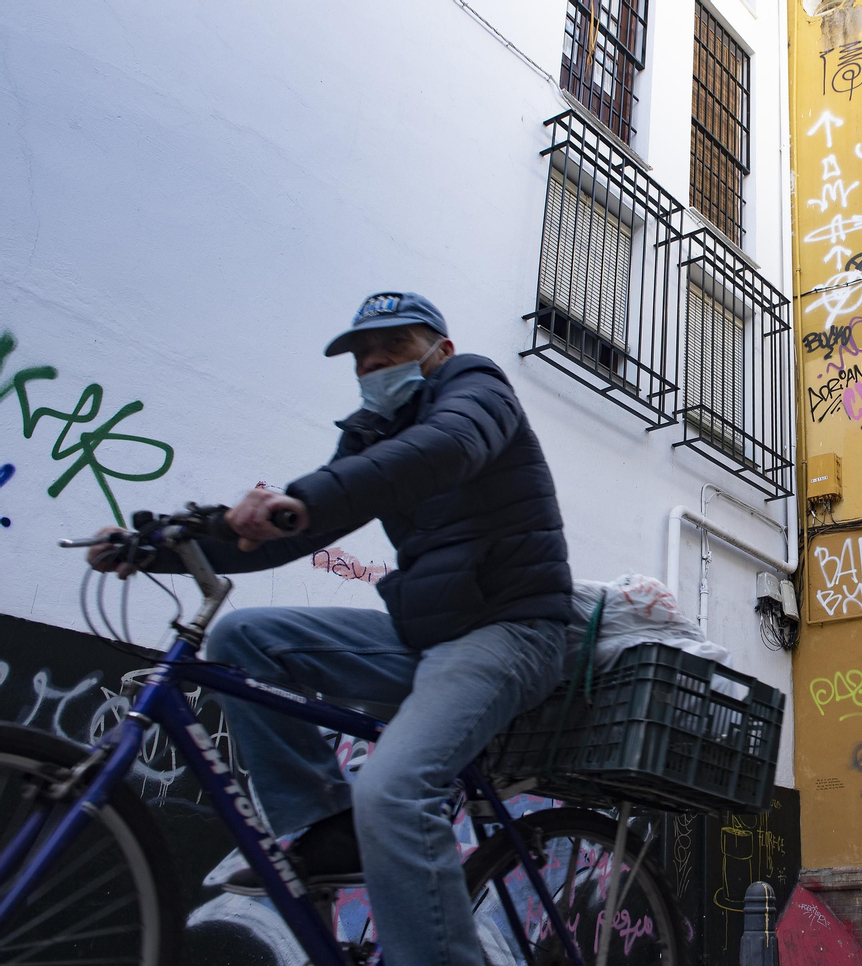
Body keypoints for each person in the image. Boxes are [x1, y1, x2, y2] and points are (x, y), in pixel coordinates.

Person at [91, 292, 573, 966]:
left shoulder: (475, 388)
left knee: (395, 791)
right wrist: (166, 550)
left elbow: (449, 448)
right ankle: (326, 827)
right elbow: (292, 531)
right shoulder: (372, 433)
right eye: (360, 356)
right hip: (425, 638)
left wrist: (305, 501)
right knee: (241, 640)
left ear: (441, 349)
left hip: (513, 631)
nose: (373, 363)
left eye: (393, 347)